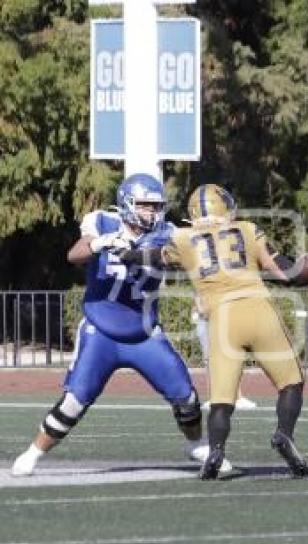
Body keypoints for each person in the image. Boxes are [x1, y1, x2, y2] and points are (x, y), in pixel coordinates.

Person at [11, 174, 218, 476]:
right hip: (101, 331)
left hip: (145, 332)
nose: (152, 212)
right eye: (146, 205)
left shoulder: (168, 232)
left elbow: (194, 257)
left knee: (185, 396)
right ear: (127, 202)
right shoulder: (102, 223)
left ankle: (197, 444)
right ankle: (33, 452)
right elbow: (74, 255)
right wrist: (100, 243)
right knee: (74, 401)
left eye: (156, 206)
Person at [117, 183, 308, 479]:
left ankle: (217, 450)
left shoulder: (183, 237)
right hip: (258, 309)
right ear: (226, 207)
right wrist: (307, 271)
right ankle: (285, 434)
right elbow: (284, 271)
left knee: (221, 399)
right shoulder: (246, 229)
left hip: (222, 320)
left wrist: (126, 254)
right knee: (291, 382)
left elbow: (153, 258)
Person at [192, 293, 257, 410]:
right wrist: (202, 310)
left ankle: (237, 397)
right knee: (210, 360)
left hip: (223, 320)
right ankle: (213, 398)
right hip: (206, 321)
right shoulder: (201, 279)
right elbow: (197, 293)